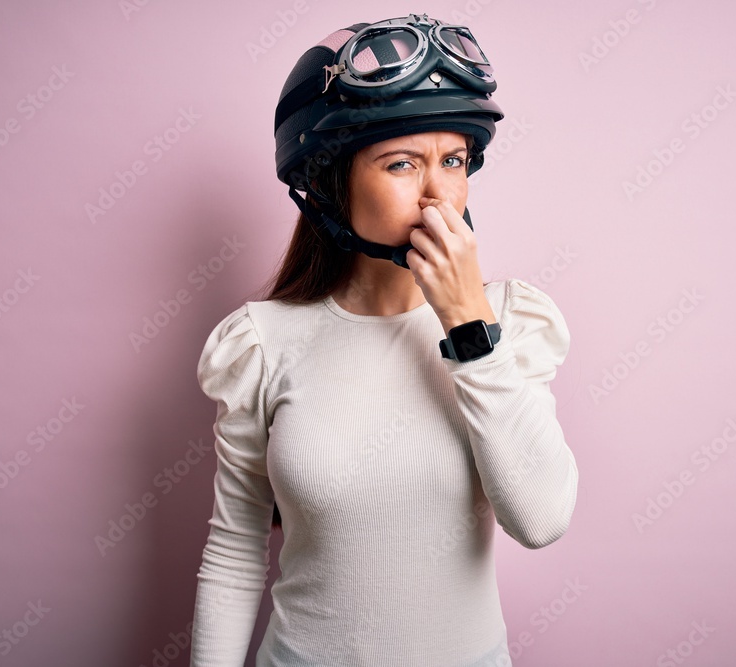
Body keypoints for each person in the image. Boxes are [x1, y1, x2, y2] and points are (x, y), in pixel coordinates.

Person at [190, 14, 579, 667]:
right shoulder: (260, 343)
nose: (438, 196)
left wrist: (468, 322)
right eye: (401, 164)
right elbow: (234, 553)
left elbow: (540, 520)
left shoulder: (513, 320)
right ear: (329, 182)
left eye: (453, 161)